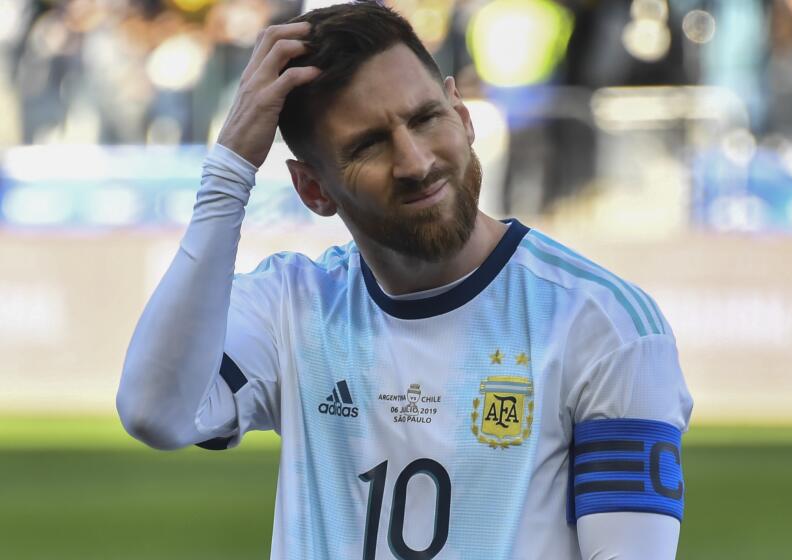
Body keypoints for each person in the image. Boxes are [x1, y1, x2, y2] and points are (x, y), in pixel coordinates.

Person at [117, 2, 693, 559]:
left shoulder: (605, 324)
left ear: (462, 115)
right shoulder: (291, 306)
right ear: (313, 189)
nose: (415, 162)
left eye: (425, 118)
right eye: (368, 145)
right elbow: (156, 412)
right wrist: (229, 173)